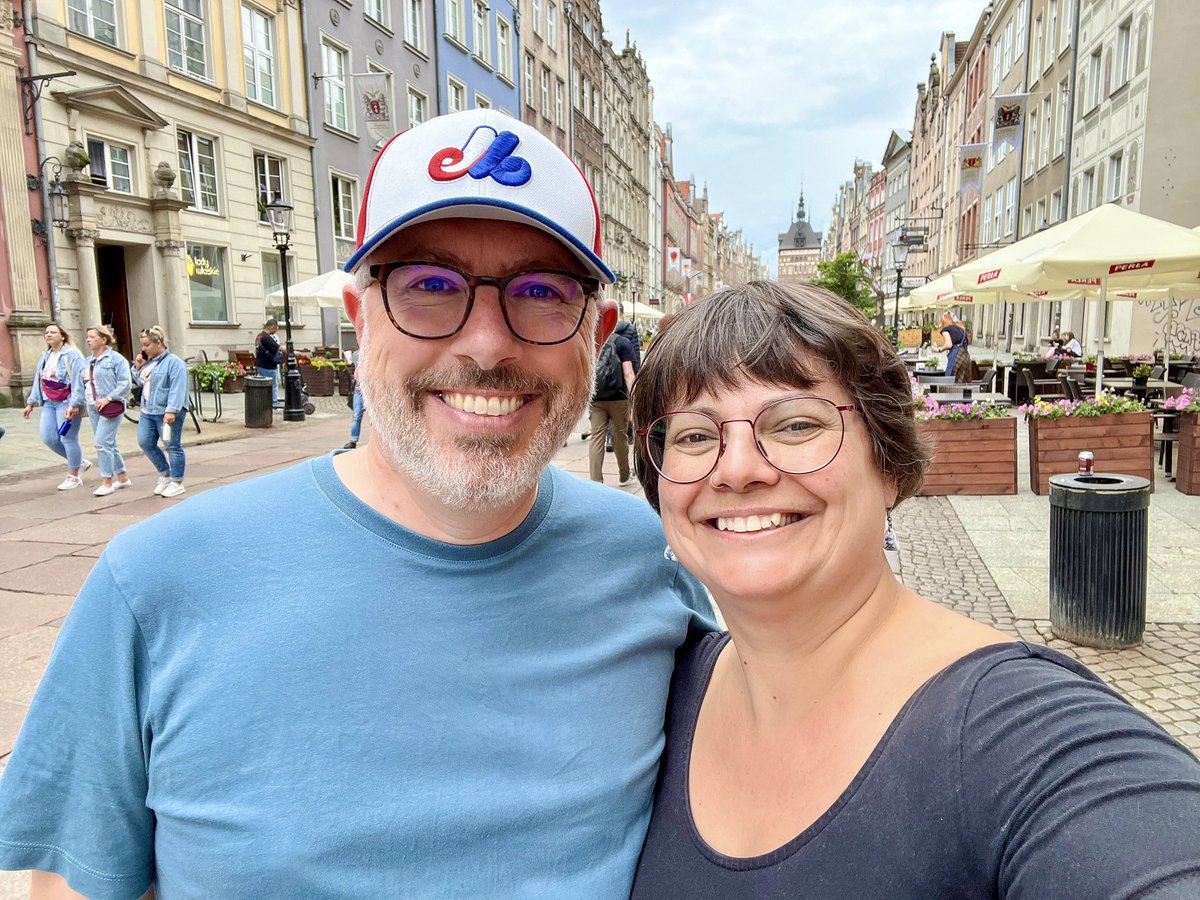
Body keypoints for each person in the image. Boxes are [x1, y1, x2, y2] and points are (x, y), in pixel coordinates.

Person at [0, 109, 713, 898]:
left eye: (542, 291)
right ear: (358, 316)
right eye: (429, 286)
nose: (485, 345)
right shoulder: (157, 582)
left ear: (596, 333)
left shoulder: (651, 557)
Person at [628, 281, 1200, 896]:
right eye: (693, 435)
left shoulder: (1020, 735)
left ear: (890, 464)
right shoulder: (657, 690)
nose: (738, 469)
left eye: (794, 424)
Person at [23, 322, 89, 490]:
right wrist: (31, 402)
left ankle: (73, 476)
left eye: (53, 332)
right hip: (49, 402)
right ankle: (79, 462)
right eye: (47, 332)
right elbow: (38, 380)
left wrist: (75, 403)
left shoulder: (72, 355)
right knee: (49, 438)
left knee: (67, 438)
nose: (49, 335)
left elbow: (78, 381)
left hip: (67, 402)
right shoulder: (45, 356)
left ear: (62, 336)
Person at [135, 325, 189, 499]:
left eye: (147, 345)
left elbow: (178, 388)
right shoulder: (150, 362)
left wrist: (172, 410)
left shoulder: (174, 362)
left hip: (166, 411)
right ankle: (165, 474)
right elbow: (141, 382)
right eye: (142, 345)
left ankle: (177, 481)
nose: (144, 349)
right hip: (148, 410)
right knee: (145, 442)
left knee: (172, 445)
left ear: (158, 343)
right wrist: (138, 368)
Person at [82, 325, 133, 496]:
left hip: (111, 406)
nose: (88, 340)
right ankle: (123, 477)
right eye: (87, 337)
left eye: (92, 337)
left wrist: (109, 398)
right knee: (108, 442)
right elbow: (82, 383)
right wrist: (76, 403)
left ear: (103, 340)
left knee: (101, 442)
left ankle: (107, 482)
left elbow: (125, 383)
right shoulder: (88, 361)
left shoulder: (116, 359)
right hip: (92, 405)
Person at [588, 317, 637, 485]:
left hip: (596, 397)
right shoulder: (623, 342)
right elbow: (628, 373)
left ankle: (595, 482)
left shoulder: (593, 342)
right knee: (620, 436)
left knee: (596, 437)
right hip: (618, 398)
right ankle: (624, 475)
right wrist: (634, 398)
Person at [936, 310, 973, 382]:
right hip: (966, 357)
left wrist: (939, 349)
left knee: (950, 381)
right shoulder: (962, 329)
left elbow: (948, 344)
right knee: (963, 381)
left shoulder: (945, 329)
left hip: (956, 357)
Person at [255, 317, 283, 408]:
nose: (276, 330)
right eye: (276, 328)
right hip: (268, 365)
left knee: (265, 384)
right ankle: (274, 403)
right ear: (272, 327)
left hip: (260, 363)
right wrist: (293, 351)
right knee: (273, 384)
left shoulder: (259, 336)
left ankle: (266, 402)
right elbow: (278, 347)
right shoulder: (267, 337)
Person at [344, 348, 364, 449]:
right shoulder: (356, 354)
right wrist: (349, 365)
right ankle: (353, 441)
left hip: (372, 391)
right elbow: (352, 373)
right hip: (358, 390)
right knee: (356, 416)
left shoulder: (373, 351)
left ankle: (377, 441)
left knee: (374, 419)